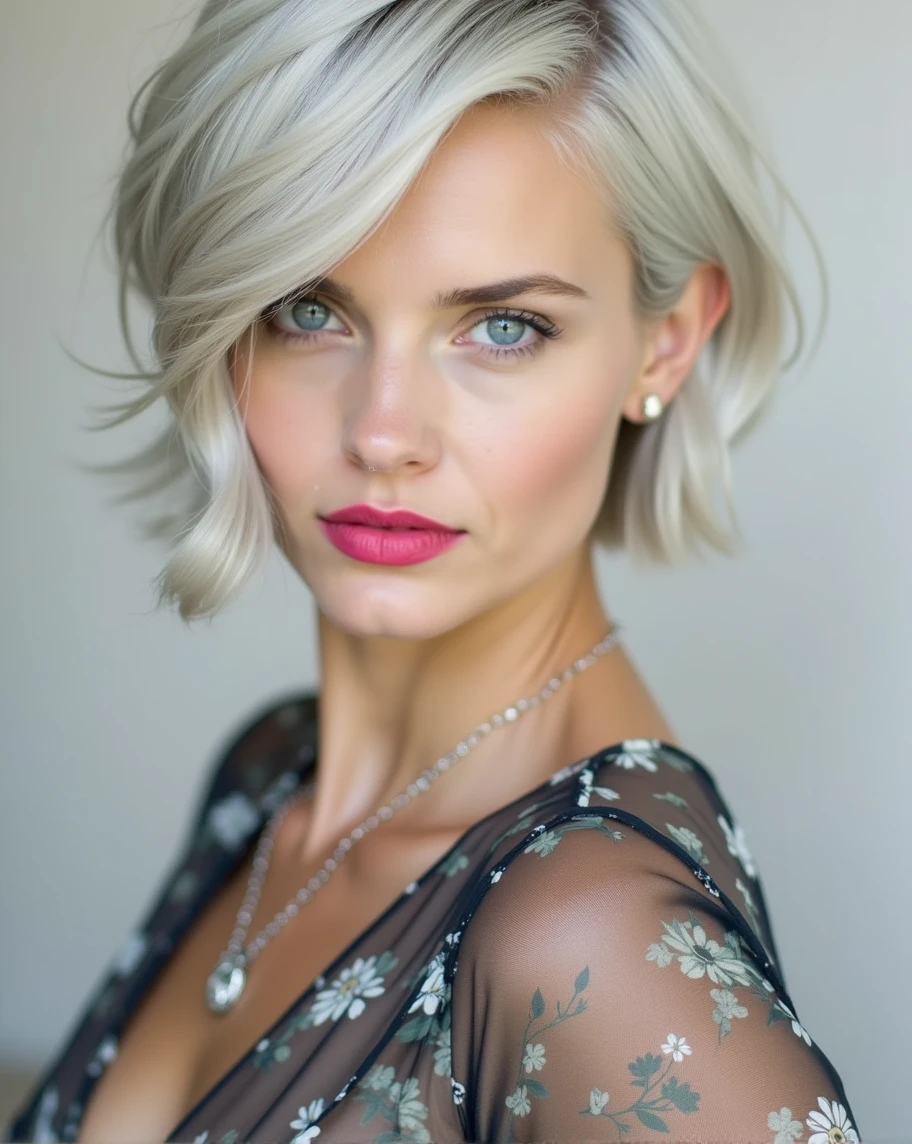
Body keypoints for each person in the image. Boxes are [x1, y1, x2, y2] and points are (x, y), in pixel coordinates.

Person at [8, 0, 862, 1141]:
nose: (384, 431)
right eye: (309, 309)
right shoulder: (273, 781)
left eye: (503, 326)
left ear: (666, 340)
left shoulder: (593, 946)